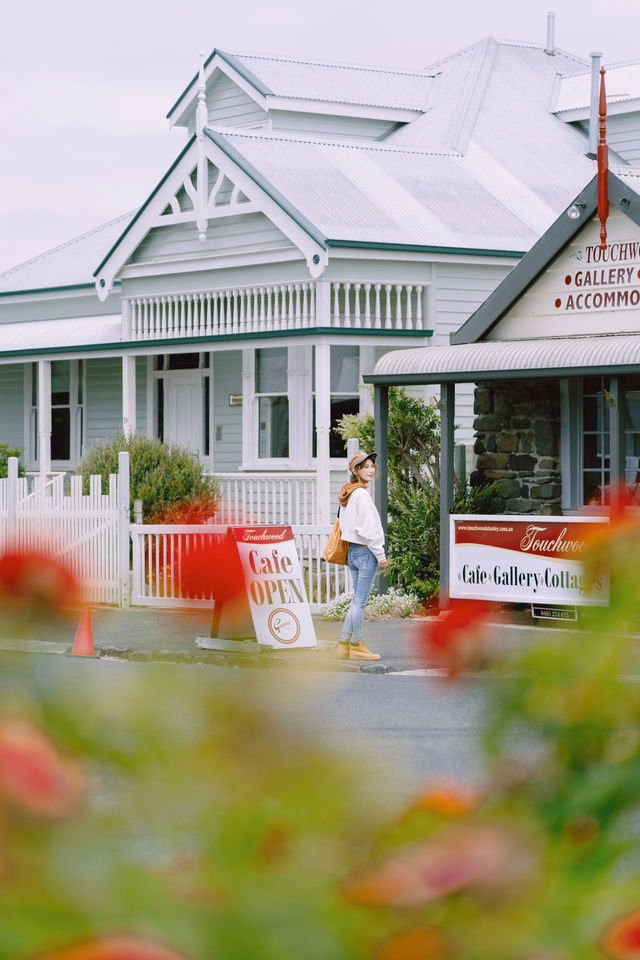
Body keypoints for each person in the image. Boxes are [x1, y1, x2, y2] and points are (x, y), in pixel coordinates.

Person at [336, 451, 389, 661]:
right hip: (366, 553)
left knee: (356, 602)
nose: (370, 469)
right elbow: (368, 530)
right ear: (355, 470)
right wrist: (381, 554)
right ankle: (357, 644)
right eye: (365, 466)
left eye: (371, 466)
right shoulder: (362, 495)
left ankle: (343, 645)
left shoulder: (348, 493)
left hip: (353, 552)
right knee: (359, 602)